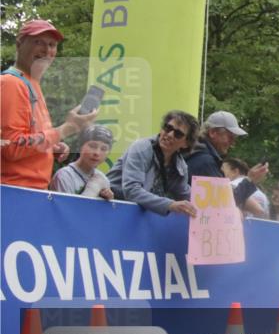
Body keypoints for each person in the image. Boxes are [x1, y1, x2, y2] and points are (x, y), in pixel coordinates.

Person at [1, 19, 98, 188]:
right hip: (13, 194)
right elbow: (12, 147)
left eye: (52, 45)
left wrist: (50, 147)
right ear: (19, 45)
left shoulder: (30, 83)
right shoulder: (11, 84)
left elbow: (26, 141)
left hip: (25, 192)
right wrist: (66, 129)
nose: (47, 50)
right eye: (38, 42)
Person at [107, 111, 199, 217]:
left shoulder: (180, 166)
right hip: (110, 210)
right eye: (167, 128)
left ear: (186, 143)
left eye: (178, 134)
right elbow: (131, 190)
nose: (169, 135)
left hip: (138, 217)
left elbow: (186, 194)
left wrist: (214, 204)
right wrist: (170, 204)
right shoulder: (141, 148)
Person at [186, 111, 268, 207]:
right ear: (212, 132)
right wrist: (250, 180)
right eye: (230, 137)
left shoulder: (198, 154)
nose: (232, 143)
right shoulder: (205, 161)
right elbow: (223, 204)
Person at [49, 125, 115, 200]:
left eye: (103, 149)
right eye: (92, 146)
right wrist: (93, 188)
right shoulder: (64, 176)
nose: (97, 153)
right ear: (80, 146)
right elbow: (65, 209)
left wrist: (108, 202)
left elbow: (103, 211)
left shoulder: (103, 179)